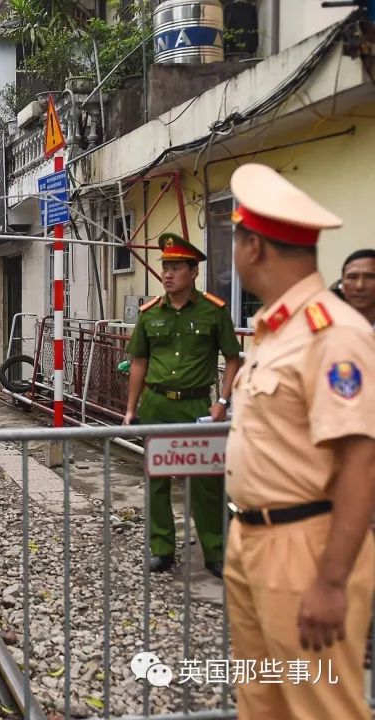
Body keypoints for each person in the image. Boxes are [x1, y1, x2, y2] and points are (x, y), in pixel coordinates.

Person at [225, 163, 375, 719]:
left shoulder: (332, 334)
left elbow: (362, 462)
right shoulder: (276, 328)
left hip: (306, 548)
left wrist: (332, 581)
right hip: (253, 538)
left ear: (254, 247)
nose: (235, 252)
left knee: (323, 707)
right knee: (262, 702)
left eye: (236, 238)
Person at [123, 233, 242, 578]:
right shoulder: (149, 315)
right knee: (157, 479)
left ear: (194, 272)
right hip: (158, 404)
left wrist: (222, 401)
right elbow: (139, 363)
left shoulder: (213, 312)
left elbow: (233, 359)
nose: (168, 274)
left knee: (206, 482)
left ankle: (215, 551)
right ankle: (162, 549)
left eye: (176, 267)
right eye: (165, 267)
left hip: (197, 409)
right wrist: (131, 408)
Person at [339, 248, 375, 327]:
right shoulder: (328, 328)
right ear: (342, 285)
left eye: (369, 277)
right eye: (352, 277)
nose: (360, 286)